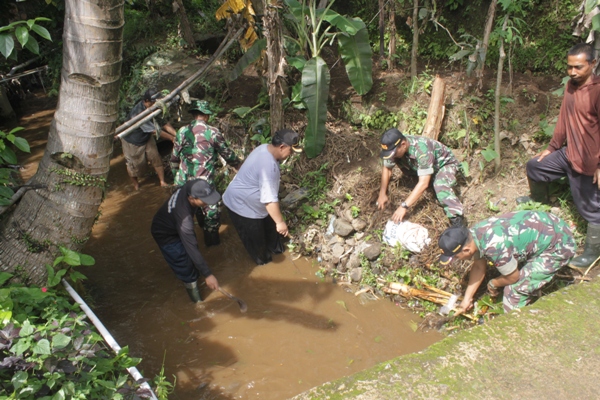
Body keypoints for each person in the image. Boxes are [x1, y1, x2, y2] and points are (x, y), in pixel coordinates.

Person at [519, 43, 600, 271]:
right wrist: (553, 147)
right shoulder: (571, 86)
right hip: (568, 152)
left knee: (592, 209)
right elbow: (564, 117)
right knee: (536, 166)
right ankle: (540, 203)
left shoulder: (597, 91)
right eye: (569, 67)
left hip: (588, 161)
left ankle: (593, 254)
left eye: (578, 67)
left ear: (592, 64)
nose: (572, 72)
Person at [438, 211, 576, 313]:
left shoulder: (494, 247)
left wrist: (493, 283)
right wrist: (467, 298)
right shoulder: (474, 234)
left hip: (559, 246)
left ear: (467, 250)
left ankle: (515, 331)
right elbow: (479, 266)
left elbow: (512, 277)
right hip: (550, 227)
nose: (456, 260)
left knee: (513, 291)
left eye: (456, 257)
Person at [223, 129, 302, 265]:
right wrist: (280, 222)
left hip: (258, 206)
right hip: (241, 208)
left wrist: (277, 222)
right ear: (282, 147)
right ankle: (266, 265)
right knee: (260, 251)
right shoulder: (268, 165)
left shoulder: (264, 148)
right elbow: (269, 200)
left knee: (274, 240)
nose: (291, 154)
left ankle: (277, 252)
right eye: (291, 151)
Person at [170, 100, 241, 247]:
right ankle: (212, 245)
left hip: (183, 182)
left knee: (186, 213)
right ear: (206, 116)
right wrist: (239, 164)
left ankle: (193, 245)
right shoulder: (212, 132)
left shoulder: (182, 131)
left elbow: (174, 159)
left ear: (194, 115)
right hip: (203, 182)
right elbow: (227, 154)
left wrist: (176, 178)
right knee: (211, 211)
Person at [151, 179, 221, 303]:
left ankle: (195, 274)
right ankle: (198, 303)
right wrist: (208, 275)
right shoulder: (185, 220)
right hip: (165, 234)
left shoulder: (193, 185)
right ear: (191, 198)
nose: (208, 203)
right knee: (184, 265)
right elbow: (191, 247)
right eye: (205, 201)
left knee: (191, 256)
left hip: (172, 221)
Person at [377, 128, 464, 226]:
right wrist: (382, 193)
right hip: (423, 168)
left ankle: (457, 221)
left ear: (403, 145)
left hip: (444, 166)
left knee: (440, 185)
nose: (392, 156)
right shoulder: (396, 145)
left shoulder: (422, 150)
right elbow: (387, 168)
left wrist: (404, 206)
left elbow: (423, 183)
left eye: (394, 153)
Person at [117, 88, 177, 190]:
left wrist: (177, 135)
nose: (154, 104)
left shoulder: (154, 108)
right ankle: (136, 185)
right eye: (152, 102)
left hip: (146, 136)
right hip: (132, 141)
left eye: (156, 101)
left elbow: (164, 123)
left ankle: (162, 182)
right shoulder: (138, 113)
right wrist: (172, 138)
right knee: (134, 165)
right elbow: (154, 131)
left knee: (155, 157)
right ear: (146, 101)